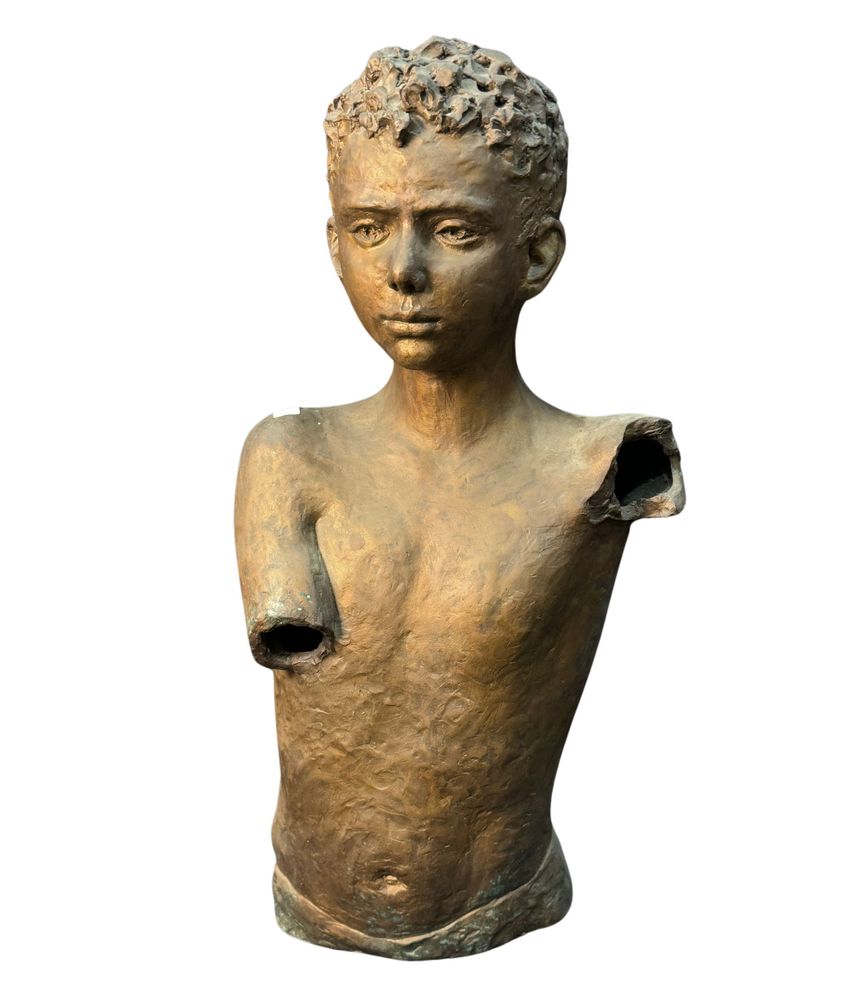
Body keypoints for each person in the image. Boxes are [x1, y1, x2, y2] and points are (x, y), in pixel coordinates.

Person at [234, 36, 685, 960]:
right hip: (306, 898)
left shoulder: (603, 462)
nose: (402, 271)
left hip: (507, 905)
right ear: (333, 245)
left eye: (453, 231)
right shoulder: (289, 458)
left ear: (537, 255)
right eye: (369, 228)